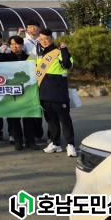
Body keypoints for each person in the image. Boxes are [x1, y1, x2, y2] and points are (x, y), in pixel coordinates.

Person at [36, 29, 77, 157]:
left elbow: (67, 65)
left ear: (52, 39)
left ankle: (70, 145)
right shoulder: (39, 55)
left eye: (46, 39)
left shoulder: (59, 52)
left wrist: (64, 50)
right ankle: (55, 144)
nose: (44, 41)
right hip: (44, 94)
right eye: (41, 39)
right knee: (51, 121)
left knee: (65, 121)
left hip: (59, 94)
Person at [0, 35, 38, 151]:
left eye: (17, 44)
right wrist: (1, 52)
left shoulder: (30, 57)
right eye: (12, 44)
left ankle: (30, 141)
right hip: (12, 92)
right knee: (14, 119)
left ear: (22, 45)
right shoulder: (6, 57)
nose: (15, 46)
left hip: (27, 91)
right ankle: (18, 141)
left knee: (28, 118)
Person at [22, 21, 45, 142]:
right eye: (30, 27)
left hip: (42, 76)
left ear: (39, 29)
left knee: (41, 105)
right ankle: (32, 134)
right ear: (27, 29)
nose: (33, 29)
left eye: (35, 27)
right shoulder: (24, 42)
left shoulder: (44, 41)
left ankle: (40, 133)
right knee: (30, 105)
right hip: (28, 77)